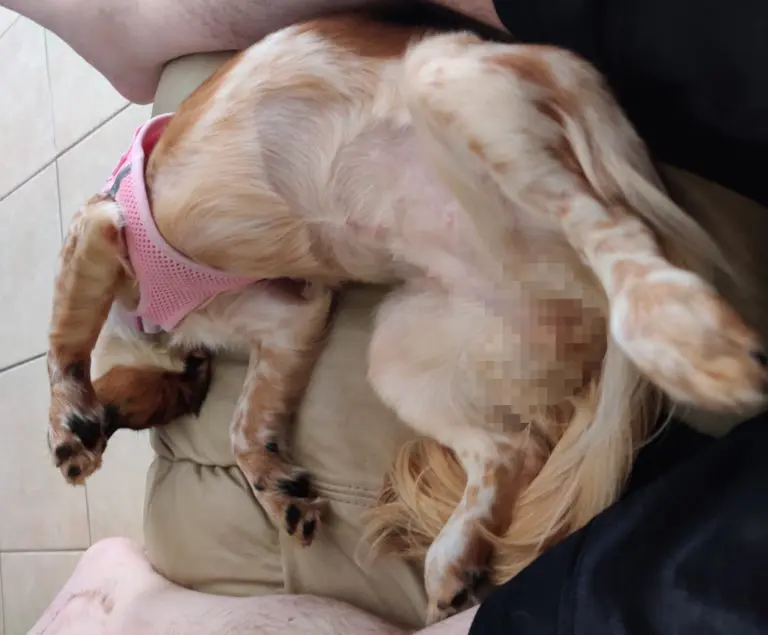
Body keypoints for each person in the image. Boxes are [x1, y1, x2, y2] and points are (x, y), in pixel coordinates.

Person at [13, 0, 768, 633]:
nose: (121, 416)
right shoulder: (202, 320)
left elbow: (97, 229)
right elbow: (296, 316)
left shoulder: (132, 264)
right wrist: (254, 447)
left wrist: (64, 369)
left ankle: (622, 261)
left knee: (447, 87)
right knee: (394, 362)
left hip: (454, 116)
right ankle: (493, 468)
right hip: (463, 244)